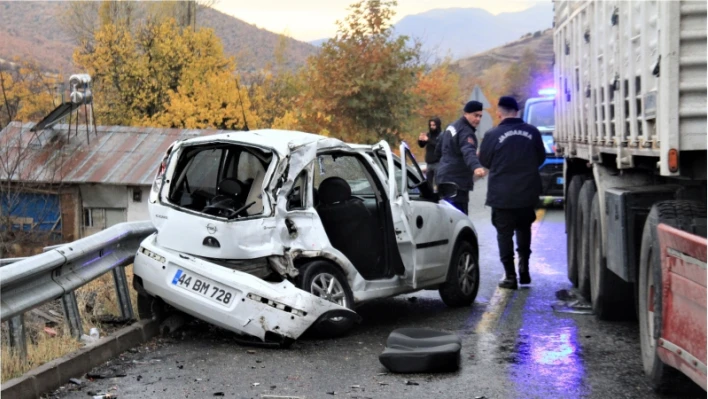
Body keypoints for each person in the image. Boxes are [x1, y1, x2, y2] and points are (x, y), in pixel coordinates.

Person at [478, 96, 546, 290]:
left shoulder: (492, 135)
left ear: (499, 112)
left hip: (502, 194)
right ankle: (524, 269)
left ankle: (510, 275)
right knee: (524, 228)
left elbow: (485, 161)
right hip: (527, 192)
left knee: (504, 234)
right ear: (517, 112)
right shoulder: (533, 132)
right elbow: (540, 157)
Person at [434, 101, 487, 215]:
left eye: (480, 116)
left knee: (445, 217)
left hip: (443, 179)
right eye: (475, 115)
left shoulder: (451, 127)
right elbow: (468, 150)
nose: (478, 119)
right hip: (457, 183)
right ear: (466, 113)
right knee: (459, 219)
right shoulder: (466, 132)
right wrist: (476, 166)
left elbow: (438, 150)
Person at [417, 117, 442, 189]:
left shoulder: (441, 135)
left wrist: (428, 140)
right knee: (428, 184)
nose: (432, 127)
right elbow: (422, 145)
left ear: (437, 125)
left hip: (438, 163)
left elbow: (438, 146)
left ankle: (439, 196)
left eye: (434, 125)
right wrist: (420, 140)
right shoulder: (428, 135)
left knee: (438, 183)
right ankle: (430, 197)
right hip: (429, 163)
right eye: (431, 125)